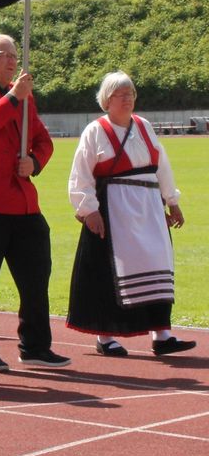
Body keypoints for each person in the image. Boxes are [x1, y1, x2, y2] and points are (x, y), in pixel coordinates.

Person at [0, 34, 70, 371]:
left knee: (36, 275)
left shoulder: (24, 95)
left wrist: (34, 161)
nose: (12, 60)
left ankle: (34, 345)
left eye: (15, 54)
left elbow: (42, 140)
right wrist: (12, 98)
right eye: (4, 54)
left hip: (22, 203)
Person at [66, 72, 196, 358]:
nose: (128, 99)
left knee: (158, 262)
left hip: (149, 208)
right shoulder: (95, 131)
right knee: (109, 272)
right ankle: (106, 336)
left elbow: (161, 165)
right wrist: (89, 210)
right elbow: (81, 175)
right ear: (107, 100)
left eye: (131, 94)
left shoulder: (144, 126)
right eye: (121, 94)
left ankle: (162, 334)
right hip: (114, 209)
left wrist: (172, 201)